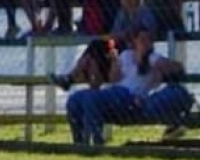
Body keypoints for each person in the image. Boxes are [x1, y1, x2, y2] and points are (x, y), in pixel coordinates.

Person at [65, 25, 194, 146]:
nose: (146, 43)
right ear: (134, 42)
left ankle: (95, 143)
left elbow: (178, 67)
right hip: (114, 93)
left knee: (91, 99)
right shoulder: (126, 55)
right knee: (75, 99)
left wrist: (158, 67)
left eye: (149, 40)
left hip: (131, 99)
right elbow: (114, 79)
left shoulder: (152, 58)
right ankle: (78, 143)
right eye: (142, 39)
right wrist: (114, 61)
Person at [50, 0, 158, 91]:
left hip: (135, 51)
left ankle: (71, 78)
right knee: (94, 56)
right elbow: (115, 34)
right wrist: (123, 35)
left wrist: (126, 35)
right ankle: (82, 85)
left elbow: (146, 34)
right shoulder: (122, 13)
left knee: (96, 48)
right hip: (119, 46)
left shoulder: (144, 13)